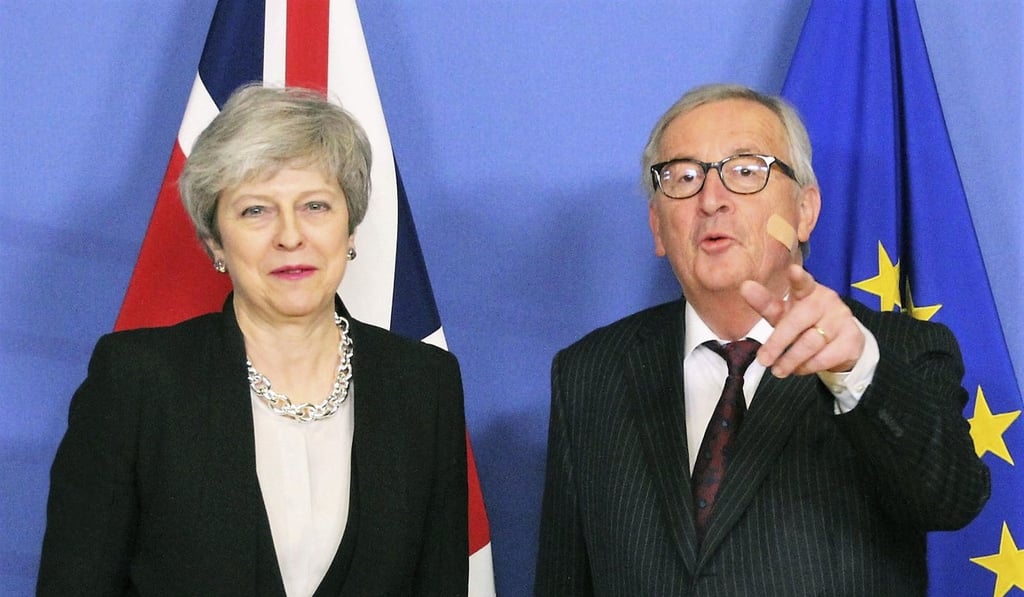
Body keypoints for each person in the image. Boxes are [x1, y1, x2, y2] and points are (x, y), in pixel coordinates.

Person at [535, 83, 990, 596]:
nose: (711, 200)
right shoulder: (589, 373)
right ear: (657, 227)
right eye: (683, 177)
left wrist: (856, 373)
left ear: (805, 211)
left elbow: (953, 499)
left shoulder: (897, 352)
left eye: (746, 171)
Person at [38, 85, 468, 596]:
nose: (290, 235)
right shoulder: (138, 380)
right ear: (214, 241)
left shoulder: (424, 383)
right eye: (255, 211)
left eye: (315, 206)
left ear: (350, 229)